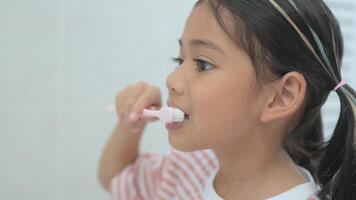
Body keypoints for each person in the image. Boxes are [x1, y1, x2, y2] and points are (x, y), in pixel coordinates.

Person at [98, 0, 356, 199]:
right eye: (179, 60)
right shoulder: (190, 169)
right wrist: (130, 123)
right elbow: (115, 178)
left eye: (202, 64)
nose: (172, 80)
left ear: (281, 97)